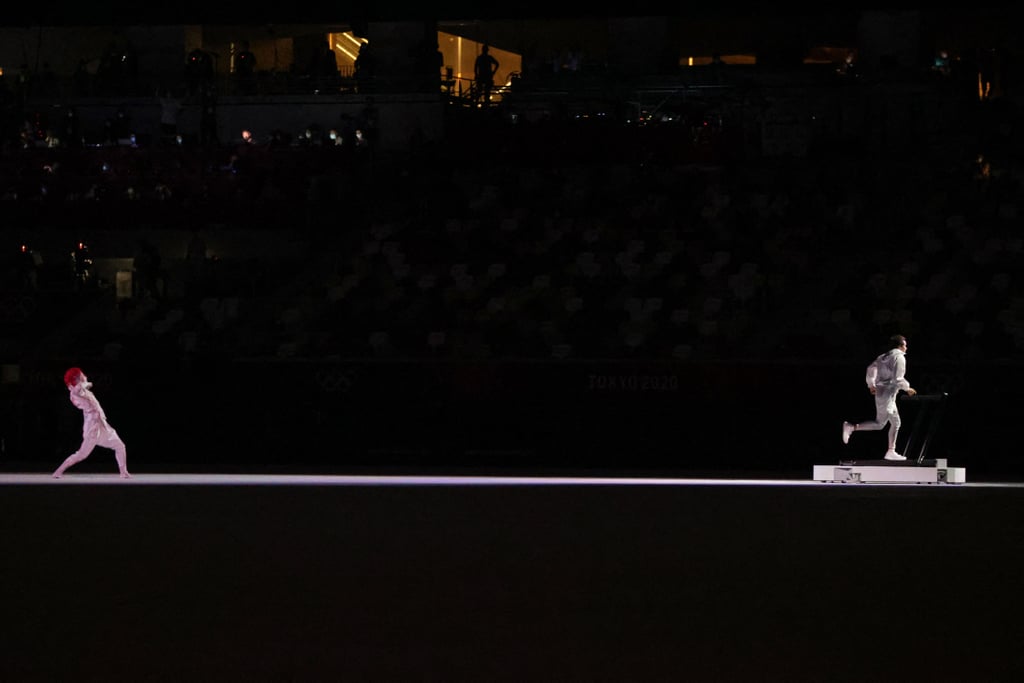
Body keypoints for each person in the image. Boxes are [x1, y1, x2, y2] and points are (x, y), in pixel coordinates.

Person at [842, 334, 917, 461]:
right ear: (900, 346)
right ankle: (851, 427)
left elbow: (871, 369)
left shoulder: (883, 356)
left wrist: (871, 384)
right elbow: (897, 378)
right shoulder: (898, 357)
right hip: (887, 393)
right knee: (880, 424)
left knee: (896, 422)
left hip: (886, 393)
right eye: (905, 345)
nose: (906, 347)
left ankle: (891, 451)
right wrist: (907, 388)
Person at [53, 367, 131, 479]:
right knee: (81, 455)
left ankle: (123, 472)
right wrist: (85, 383)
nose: (85, 376)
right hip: (92, 427)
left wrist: (85, 385)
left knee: (120, 446)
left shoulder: (84, 391)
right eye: (82, 375)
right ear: (78, 378)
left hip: (101, 424)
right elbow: (77, 390)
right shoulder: (75, 393)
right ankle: (58, 471)